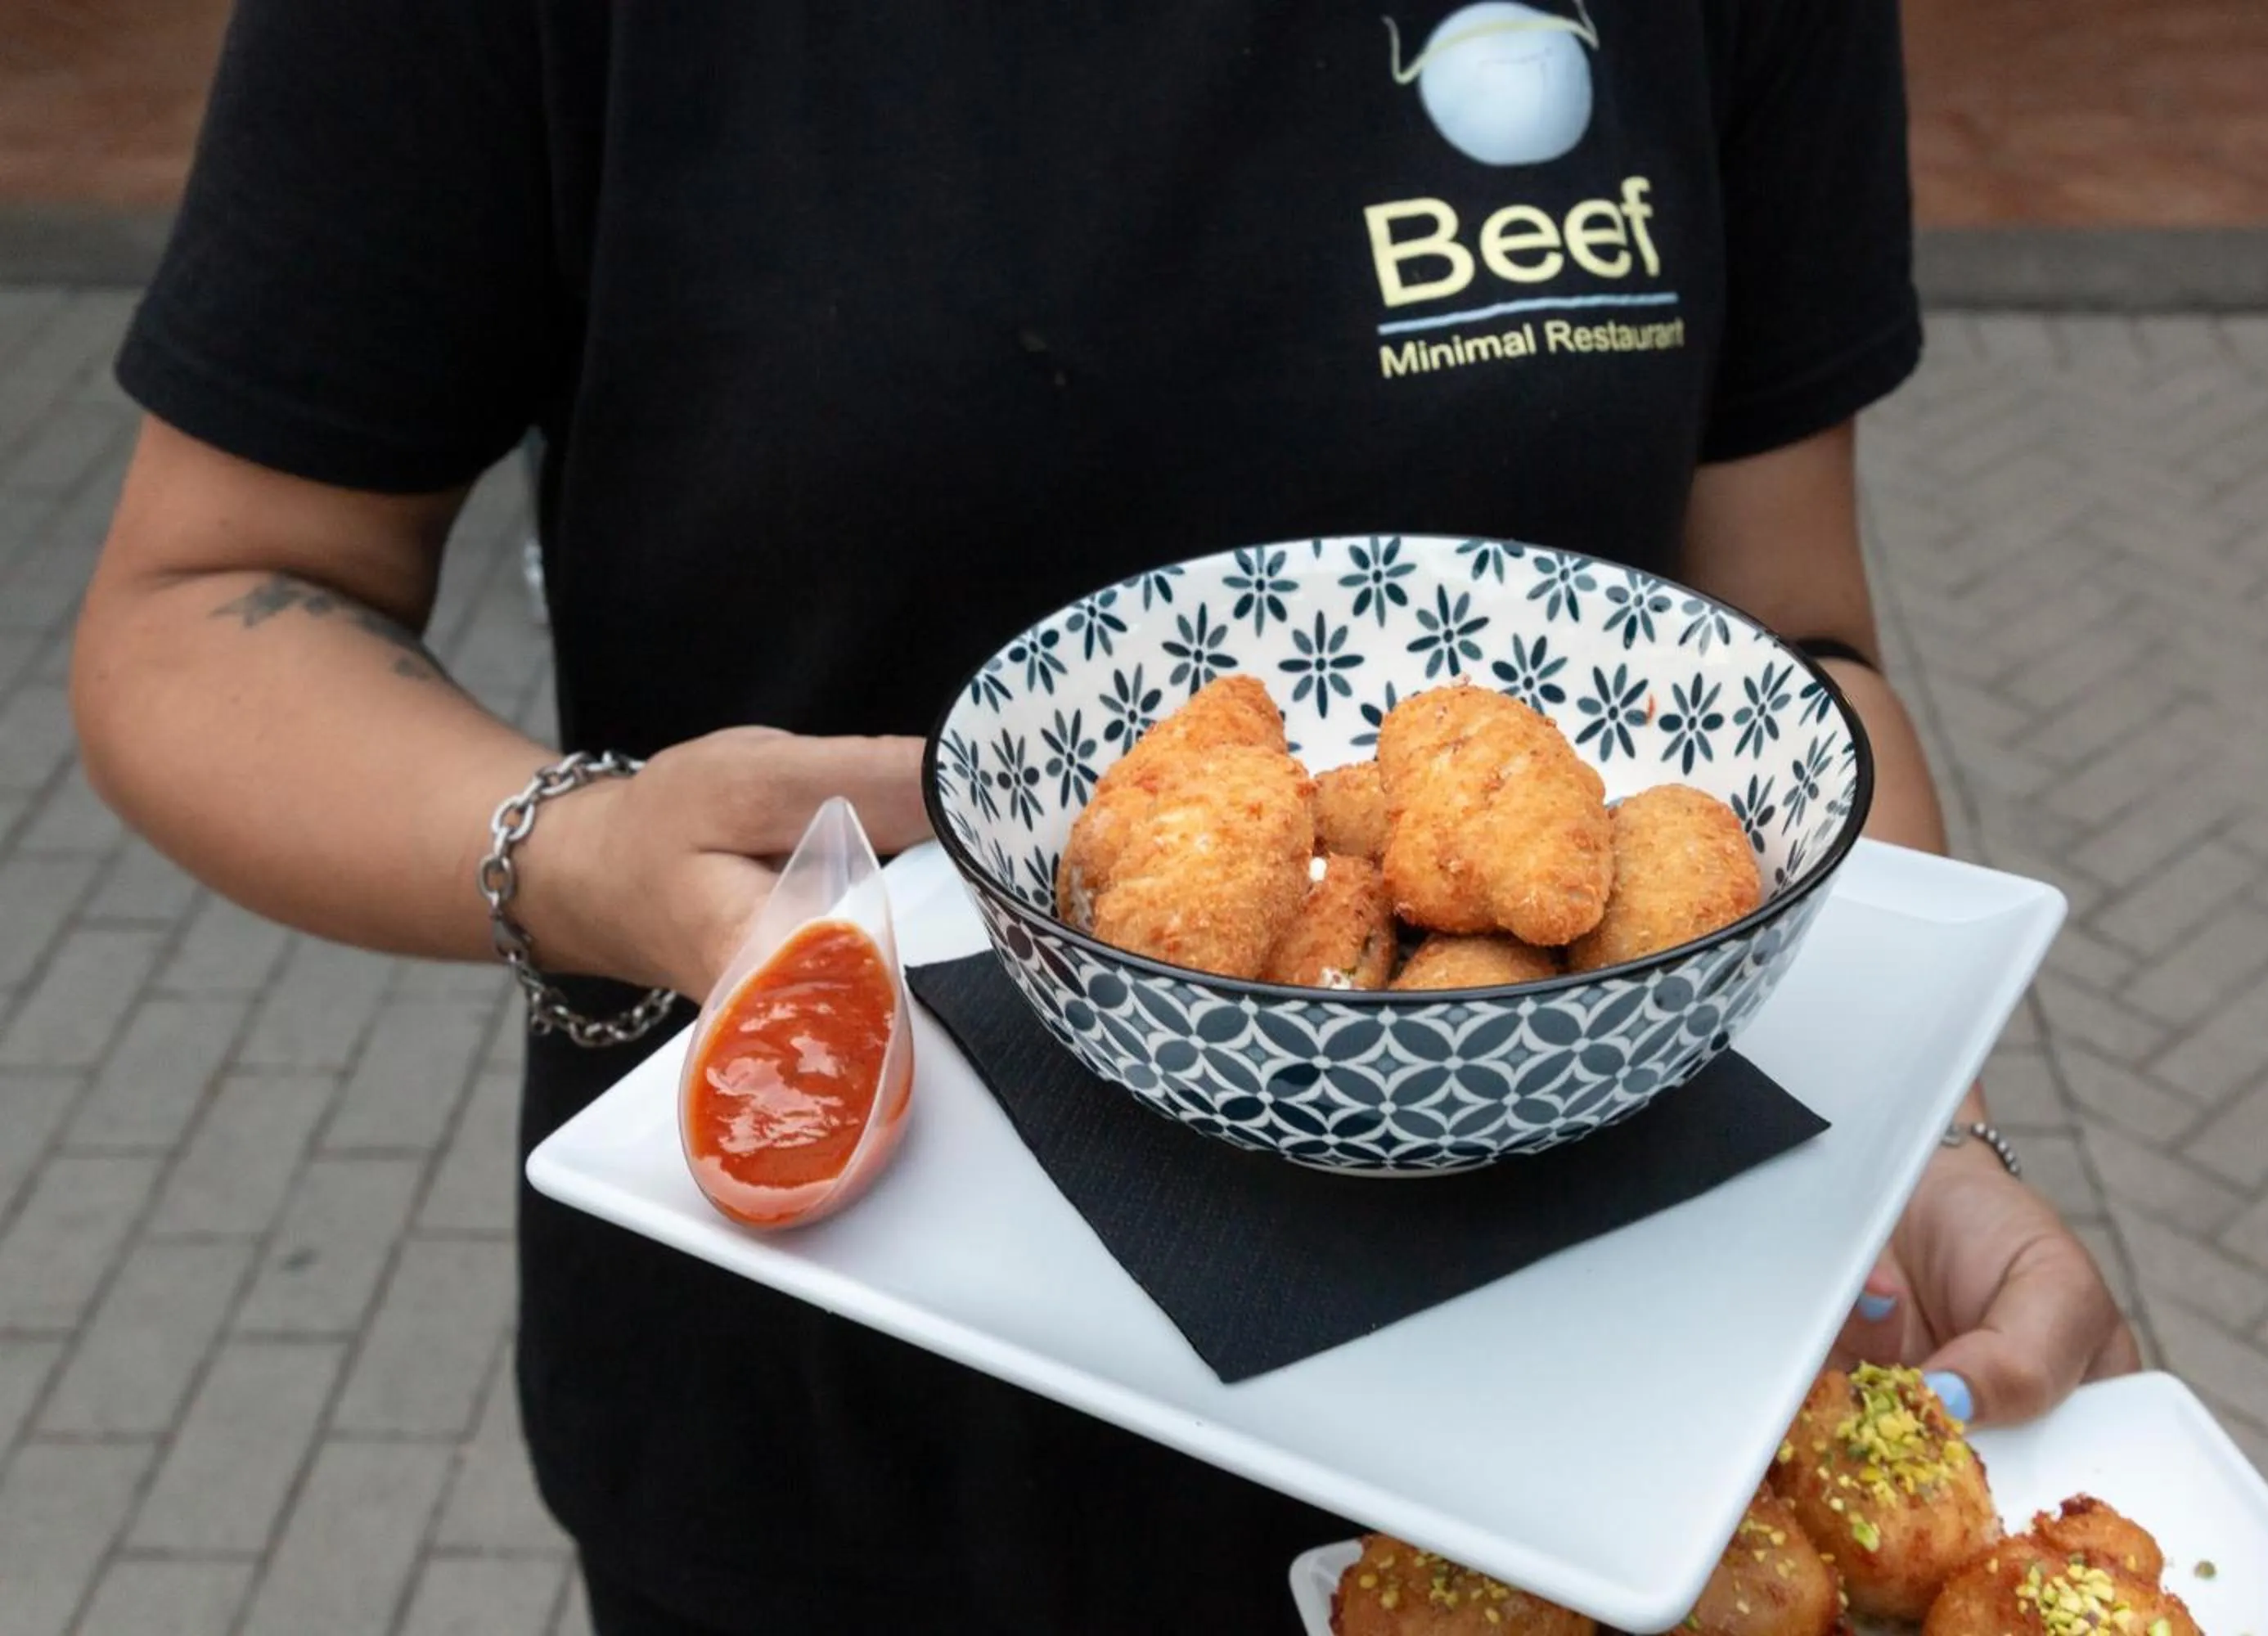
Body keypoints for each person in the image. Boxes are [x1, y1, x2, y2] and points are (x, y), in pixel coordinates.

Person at [69, 2, 2136, 1629]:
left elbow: (1784, 644)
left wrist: (1916, 1129)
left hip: (1579, 1469)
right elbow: (205, 605)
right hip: (843, 1455)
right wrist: (583, 853)